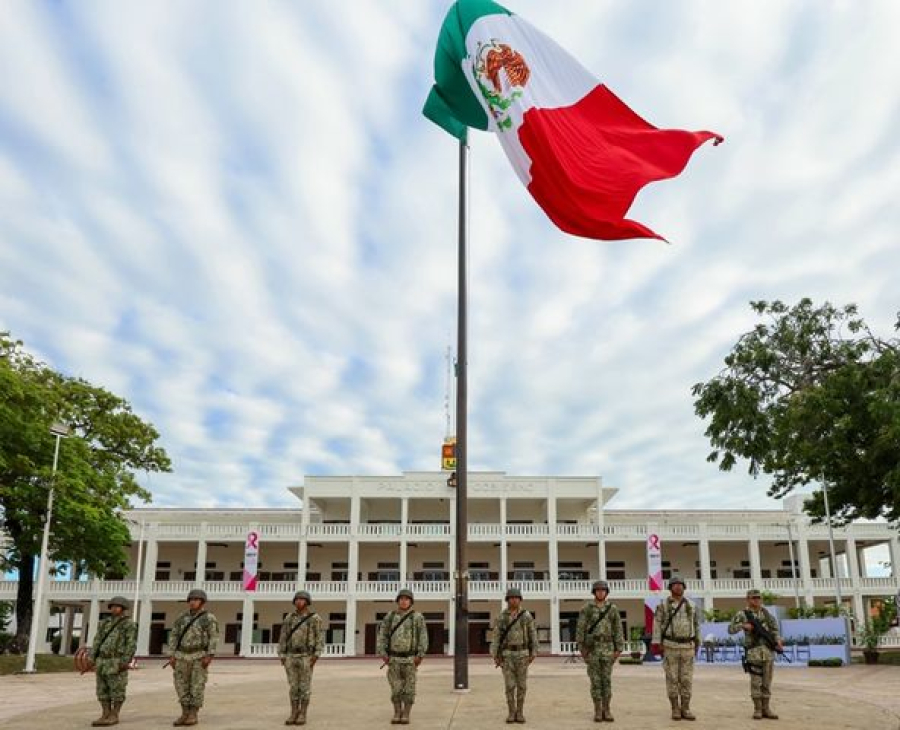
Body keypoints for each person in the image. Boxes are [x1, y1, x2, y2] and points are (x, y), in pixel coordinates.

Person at [165, 588, 219, 726]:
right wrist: (171, 655)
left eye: (196, 600)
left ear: (202, 602)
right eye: (191, 600)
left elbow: (214, 637)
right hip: (182, 655)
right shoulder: (182, 617)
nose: (192, 602)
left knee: (197, 686)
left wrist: (210, 655)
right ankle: (184, 713)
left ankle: (193, 714)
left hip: (198, 656)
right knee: (181, 685)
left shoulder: (208, 618)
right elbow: (174, 636)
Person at [729, 588, 783, 720]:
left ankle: (767, 708)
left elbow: (774, 630)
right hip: (754, 653)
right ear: (748, 599)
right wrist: (743, 625)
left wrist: (778, 641)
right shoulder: (742, 614)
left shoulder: (766, 614)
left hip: (768, 653)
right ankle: (757, 709)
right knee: (756, 682)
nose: (756, 600)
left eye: (758, 597)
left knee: (767, 683)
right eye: (753, 598)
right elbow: (730, 629)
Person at [651, 576, 701, 720]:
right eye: (675, 585)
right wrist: (657, 643)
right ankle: (675, 708)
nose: (678, 587)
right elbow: (657, 625)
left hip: (688, 646)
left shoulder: (691, 605)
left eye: (680, 585)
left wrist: (698, 642)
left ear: (684, 587)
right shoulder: (663, 606)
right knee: (672, 678)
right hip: (670, 646)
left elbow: (696, 625)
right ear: (670, 588)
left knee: (686, 679)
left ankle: (686, 708)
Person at [377, 588, 428, 724]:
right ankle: (397, 712)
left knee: (409, 688)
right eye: (401, 599)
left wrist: (420, 655)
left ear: (411, 601)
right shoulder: (390, 617)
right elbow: (382, 635)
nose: (404, 601)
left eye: (407, 599)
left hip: (410, 658)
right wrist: (383, 653)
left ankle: (406, 713)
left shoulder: (417, 617)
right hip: (394, 659)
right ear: (397, 601)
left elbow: (423, 637)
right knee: (396, 688)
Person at [576, 580, 623, 722]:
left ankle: (607, 710)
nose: (600, 592)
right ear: (594, 592)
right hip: (593, 649)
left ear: (606, 592)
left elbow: (618, 629)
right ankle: (597, 710)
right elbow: (580, 629)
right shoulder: (587, 608)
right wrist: (582, 649)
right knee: (595, 681)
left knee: (606, 681)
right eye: (598, 590)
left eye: (603, 590)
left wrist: (618, 649)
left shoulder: (612, 608)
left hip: (608, 649)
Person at [87, 596, 137, 726]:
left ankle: (115, 714)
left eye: (117, 606)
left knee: (117, 689)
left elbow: (131, 644)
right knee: (102, 689)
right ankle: (105, 713)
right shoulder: (104, 623)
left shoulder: (128, 624)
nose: (114, 608)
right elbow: (97, 640)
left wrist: (125, 661)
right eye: (112, 606)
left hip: (117, 660)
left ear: (123, 608)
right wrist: (92, 657)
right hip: (102, 660)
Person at [490, 587, 538, 723]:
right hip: (507, 655)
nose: (514, 600)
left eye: (516, 598)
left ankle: (520, 712)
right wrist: (495, 654)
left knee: (522, 685)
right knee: (509, 685)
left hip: (522, 654)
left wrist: (534, 652)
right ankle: (511, 712)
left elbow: (532, 633)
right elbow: (496, 636)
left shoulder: (526, 615)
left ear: (520, 599)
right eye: (511, 598)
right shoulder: (502, 616)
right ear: (507, 600)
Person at [278, 590, 325, 725]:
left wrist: (316, 655)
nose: (299, 601)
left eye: (302, 599)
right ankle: (293, 712)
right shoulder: (289, 618)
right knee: (293, 686)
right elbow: (283, 636)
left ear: (307, 602)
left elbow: (319, 638)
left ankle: (303, 713)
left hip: (306, 656)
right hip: (291, 656)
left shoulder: (314, 618)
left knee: (304, 686)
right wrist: (282, 654)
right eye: (297, 599)